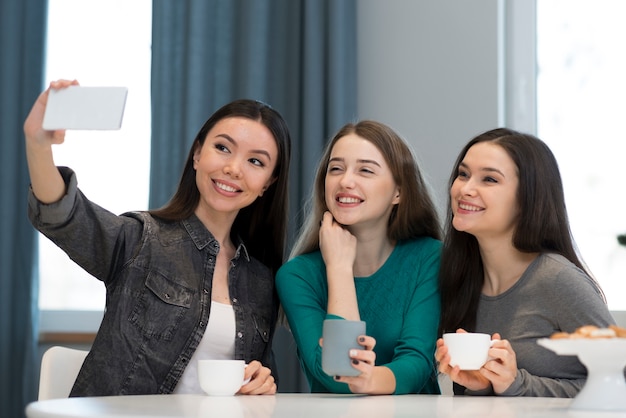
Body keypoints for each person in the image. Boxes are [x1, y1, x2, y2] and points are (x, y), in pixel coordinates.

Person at [25, 79, 292, 396]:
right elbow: (64, 216)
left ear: (267, 183)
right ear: (197, 155)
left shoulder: (262, 282)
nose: (234, 168)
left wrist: (262, 383)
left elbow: (258, 386)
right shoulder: (140, 240)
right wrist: (38, 145)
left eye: (255, 161)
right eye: (222, 148)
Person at [435, 128, 616, 397]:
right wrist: (483, 385)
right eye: (463, 174)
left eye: (489, 179)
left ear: (527, 199)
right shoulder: (459, 276)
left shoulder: (557, 279)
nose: (465, 189)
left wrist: (517, 384)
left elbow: (616, 384)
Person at [276, 120, 442, 395]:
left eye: (365, 170)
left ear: (398, 192)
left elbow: (417, 363)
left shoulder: (429, 257)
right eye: (336, 169)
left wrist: (368, 379)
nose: (345, 181)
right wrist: (339, 268)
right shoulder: (297, 276)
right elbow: (333, 376)